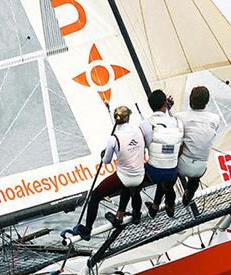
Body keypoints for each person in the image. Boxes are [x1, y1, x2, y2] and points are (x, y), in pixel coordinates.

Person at [71, 105, 145, 240]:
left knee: (95, 196)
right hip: (140, 175)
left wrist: (104, 153)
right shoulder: (139, 130)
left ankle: (87, 229)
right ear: (128, 118)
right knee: (130, 187)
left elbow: (106, 161)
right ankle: (134, 215)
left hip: (124, 177)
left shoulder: (114, 138)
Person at [142, 89, 184, 219]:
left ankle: (145, 210)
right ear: (165, 104)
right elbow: (180, 147)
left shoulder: (144, 124)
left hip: (153, 173)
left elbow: (143, 146)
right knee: (167, 166)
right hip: (172, 171)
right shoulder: (177, 122)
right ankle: (166, 205)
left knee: (157, 166)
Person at [177, 85, 221, 205]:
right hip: (200, 169)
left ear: (190, 100)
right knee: (195, 174)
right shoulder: (215, 119)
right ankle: (189, 196)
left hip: (180, 167)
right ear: (207, 102)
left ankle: (165, 202)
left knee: (175, 149)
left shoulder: (179, 117)